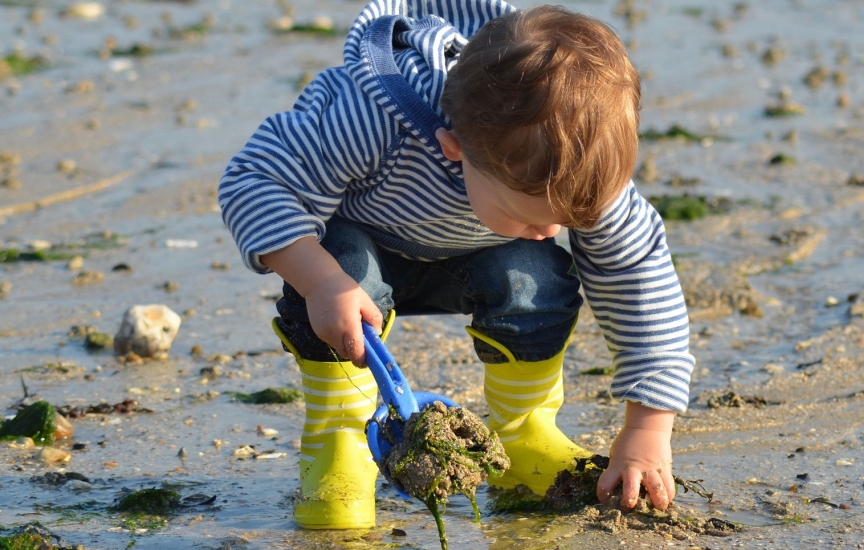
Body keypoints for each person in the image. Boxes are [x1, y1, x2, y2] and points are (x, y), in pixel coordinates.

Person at [218, 0, 694, 529]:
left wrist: (648, 428)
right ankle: (339, 445)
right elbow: (254, 182)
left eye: (565, 220)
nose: (552, 232)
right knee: (345, 261)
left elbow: (640, 280)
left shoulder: (581, 172)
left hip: (476, 261)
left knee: (536, 272)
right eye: (527, 214)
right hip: (358, 268)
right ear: (453, 147)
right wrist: (318, 279)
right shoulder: (369, 117)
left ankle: (524, 433)